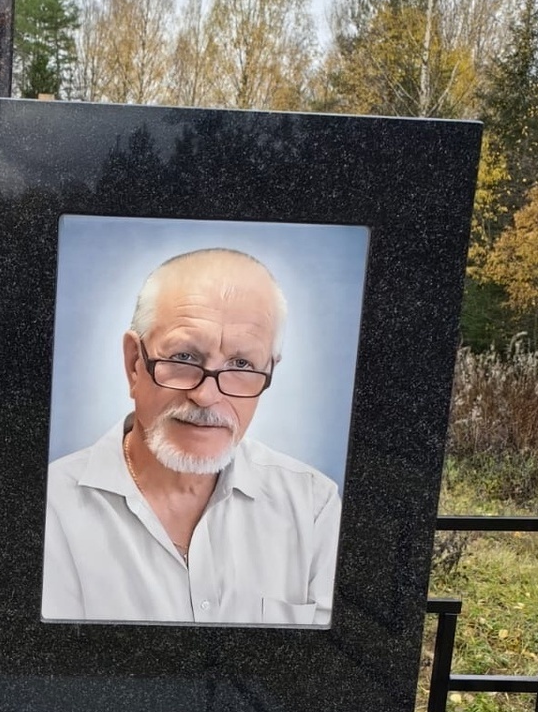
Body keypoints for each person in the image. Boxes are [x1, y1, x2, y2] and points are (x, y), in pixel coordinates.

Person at [42, 248, 340, 626]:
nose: (206, 395)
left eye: (241, 364)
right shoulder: (50, 509)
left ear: (270, 371)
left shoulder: (313, 508)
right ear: (134, 363)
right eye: (184, 357)